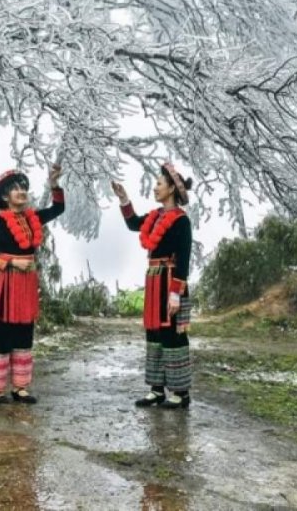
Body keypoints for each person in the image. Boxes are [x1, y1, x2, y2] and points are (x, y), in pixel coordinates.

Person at [112, 163, 193, 409]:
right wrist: (124, 199)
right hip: (154, 279)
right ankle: (157, 389)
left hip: (171, 280)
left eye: (159, 184)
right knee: (154, 333)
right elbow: (133, 223)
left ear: (171, 189)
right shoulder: (155, 217)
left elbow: (183, 258)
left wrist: (176, 294)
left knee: (173, 334)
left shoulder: (181, 221)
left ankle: (180, 392)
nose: (155, 188)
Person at [0, 163, 64, 404]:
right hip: (3, 286)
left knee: (24, 332)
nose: (22, 192)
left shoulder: (33, 218)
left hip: (26, 286)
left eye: (24, 188)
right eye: (16, 189)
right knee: (1, 333)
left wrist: (54, 184)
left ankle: (20, 387)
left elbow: (59, 208)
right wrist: (11, 262)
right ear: (5, 197)